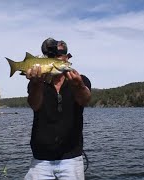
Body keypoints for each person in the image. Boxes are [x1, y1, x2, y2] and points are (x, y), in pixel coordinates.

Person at [24, 38, 91, 180]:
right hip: (41, 159)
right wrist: (36, 84)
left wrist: (78, 85)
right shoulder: (37, 82)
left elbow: (84, 100)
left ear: (67, 58)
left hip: (72, 158)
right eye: (51, 56)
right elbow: (34, 105)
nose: (55, 59)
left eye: (59, 56)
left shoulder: (81, 80)